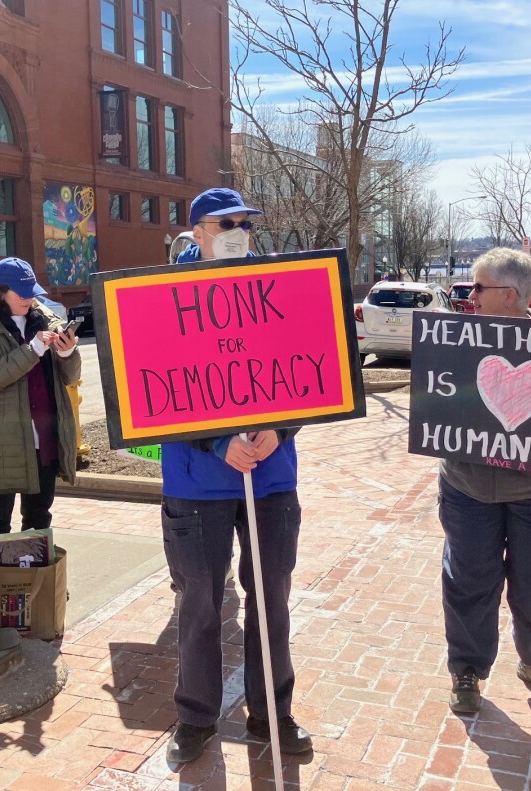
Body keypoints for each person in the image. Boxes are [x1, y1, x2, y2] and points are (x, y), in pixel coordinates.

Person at [161, 187, 312, 764]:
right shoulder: (161, 296)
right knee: (198, 602)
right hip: (196, 482)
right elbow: (152, 392)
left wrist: (284, 429)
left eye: (247, 222)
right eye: (227, 221)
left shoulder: (278, 289)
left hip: (270, 480)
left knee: (271, 599)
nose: (239, 230)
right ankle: (195, 717)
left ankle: (272, 713)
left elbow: (309, 370)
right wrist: (216, 441)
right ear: (197, 229)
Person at [438, 248, 531, 714]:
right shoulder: (455, 342)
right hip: (469, 489)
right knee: (468, 581)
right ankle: (466, 669)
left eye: (479, 287)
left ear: (511, 295)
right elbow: (438, 402)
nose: (470, 295)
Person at [0, 257, 81, 534]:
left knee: (38, 520)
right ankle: (0, 579)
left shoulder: (45, 319)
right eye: (21, 294)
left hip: (44, 439)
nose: (29, 299)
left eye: (32, 293)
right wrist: (32, 349)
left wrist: (67, 353)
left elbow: (69, 378)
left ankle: (35, 577)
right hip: (2, 445)